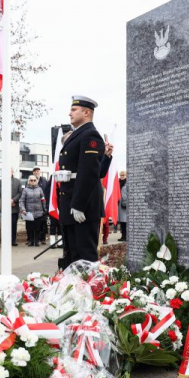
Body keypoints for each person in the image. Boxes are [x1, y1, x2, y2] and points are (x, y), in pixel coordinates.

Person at [56, 95, 105, 267]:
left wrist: (78, 204)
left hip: (82, 206)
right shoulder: (77, 135)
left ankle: (88, 291)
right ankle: (74, 291)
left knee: (84, 257)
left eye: (74, 110)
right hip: (71, 201)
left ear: (86, 112)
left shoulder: (90, 134)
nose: (70, 113)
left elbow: (90, 172)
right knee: (72, 255)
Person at [0, 168, 22, 246]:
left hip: (14, 207)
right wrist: (7, 201)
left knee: (13, 224)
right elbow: (0, 191)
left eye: (10, 171)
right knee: (5, 225)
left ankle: (13, 241)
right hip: (5, 208)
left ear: (12, 172)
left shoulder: (18, 181)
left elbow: (20, 192)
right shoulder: (1, 181)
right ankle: (5, 241)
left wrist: (13, 200)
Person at [19, 175, 45, 246]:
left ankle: (36, 241)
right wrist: (23, 209)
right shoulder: (25, 190)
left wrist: (44, 209)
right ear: (28, 181)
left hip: (38, 211)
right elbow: (21, 201)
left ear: (36, 181)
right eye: (31, 180)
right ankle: (30, 240)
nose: (33, 182)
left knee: (37, 227)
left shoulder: (40, 189)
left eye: (34, 180)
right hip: (28, 212)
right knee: (29, 227)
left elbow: (43, 200)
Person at [32, 167, 49, 244]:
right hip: (33, 205)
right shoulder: (30, 180)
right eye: (35, 171)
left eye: (38, 171)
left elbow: (47, 191)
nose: (36, 172)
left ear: (40, 172)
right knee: (34, 222)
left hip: (43, 204)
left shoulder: (44, 180)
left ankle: (43, 238)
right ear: (33, 173)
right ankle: (34, 239)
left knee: (43, 222)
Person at [118, 170, 127, 241]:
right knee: (122, 222)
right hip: (119, 204)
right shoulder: (118, 183)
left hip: (125, 205)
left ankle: (125, 236)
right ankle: (123, 236)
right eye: (121, 175)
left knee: (125, 222)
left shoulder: (127, 183)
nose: (122, 176)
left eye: (123, 175)